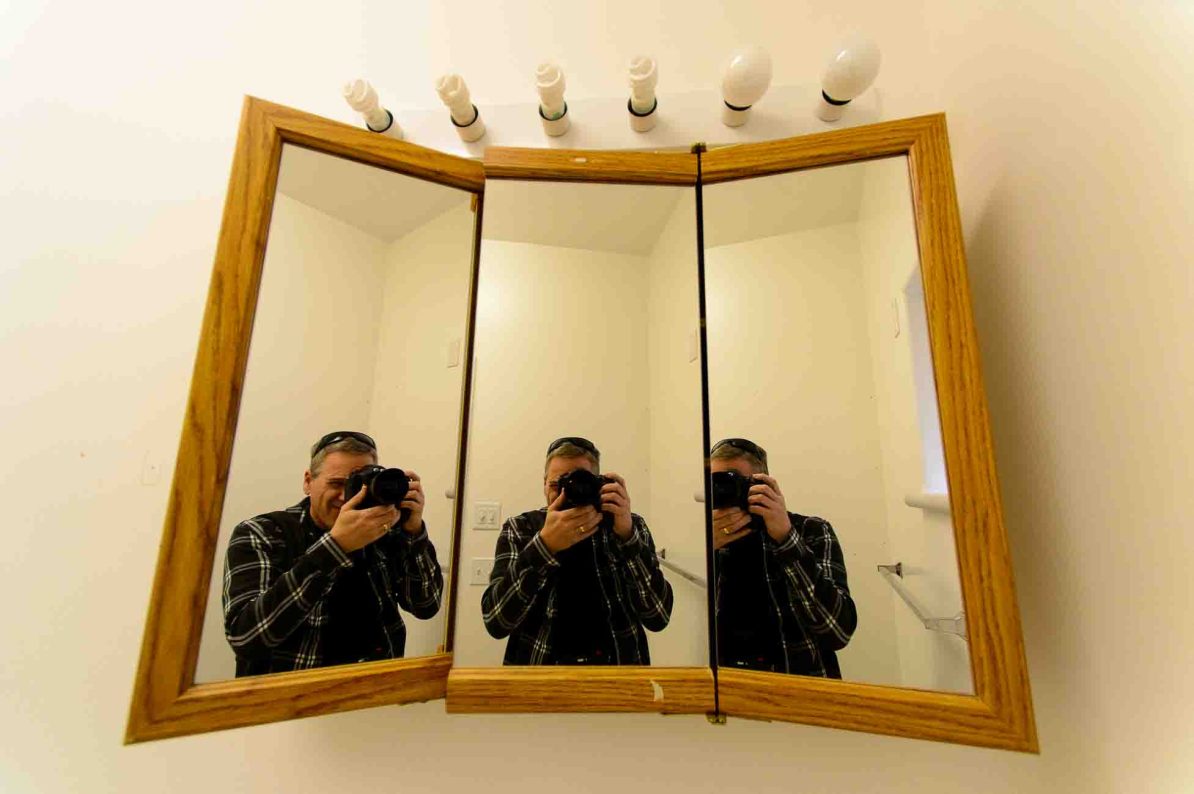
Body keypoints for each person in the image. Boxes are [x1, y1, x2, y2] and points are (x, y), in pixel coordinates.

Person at [222, 431, 443, 676]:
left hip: (377, 691)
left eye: (359, 485)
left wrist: (413, 532)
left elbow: (426, 605)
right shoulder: (263, 533)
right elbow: (247, 638)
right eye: (337, 483)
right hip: (288, 697)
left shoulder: (383, 531)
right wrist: (335, 547)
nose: (345, 496)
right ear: (308, 481)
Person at [482, 437, 673, 665]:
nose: (567, 492)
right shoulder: (521, 528)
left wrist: (627, 537)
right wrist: (544, 546)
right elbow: (496, 621)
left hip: (619, 680)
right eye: (557, 485)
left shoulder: (627, 527)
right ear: (544, 484)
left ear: (599, 485)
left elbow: (658, 616)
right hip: (539, 680)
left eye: (579, 482)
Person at [709, 438, 856, 677]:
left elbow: (838, 632)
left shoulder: (811, 530)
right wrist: (708, 551)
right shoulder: (707, 539)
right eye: (715, 482)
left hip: (802, 688)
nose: (723, 490)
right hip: (730, 688)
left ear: (763, 484)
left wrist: (786, 538)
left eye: (733, 481)